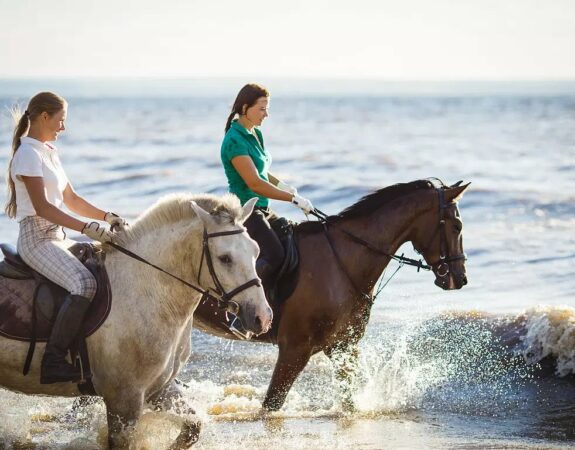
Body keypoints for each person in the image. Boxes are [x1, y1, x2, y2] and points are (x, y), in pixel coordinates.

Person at [5, 91, 128, 384]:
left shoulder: (48, 152)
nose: (63, 127)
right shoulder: (27, 155)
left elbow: (70, 198)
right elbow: (43, 208)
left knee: (106, 263)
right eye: (61, 121)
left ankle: (90, 356)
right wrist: (86, 229)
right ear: (44, 117)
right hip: (37, 240)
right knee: (83, 284)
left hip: (57, 236)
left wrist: (106, 217)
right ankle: (53, 360)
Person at [221, 83, 313, 288]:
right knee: (274, 255)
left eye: (267, 108)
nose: (266, 114)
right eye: (261, 109)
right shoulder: (234, 140)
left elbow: (260, 170)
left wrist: (283, 186)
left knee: (291, 240)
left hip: (261, 208)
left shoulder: (255, 134)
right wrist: (292, 199)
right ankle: (243, 307)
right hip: (244, 210)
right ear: (245, 108)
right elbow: (254, 183)